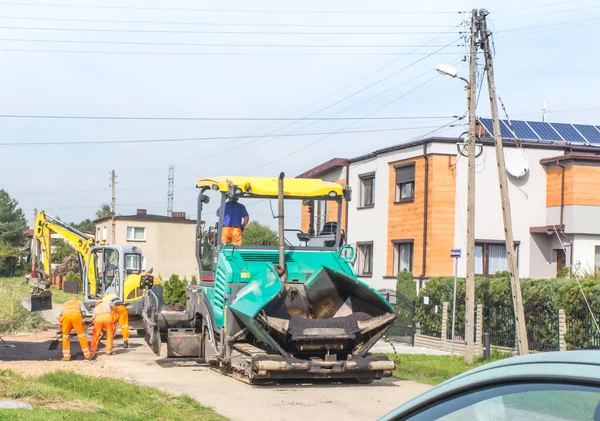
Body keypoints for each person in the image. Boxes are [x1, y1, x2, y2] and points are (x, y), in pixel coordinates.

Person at [58, 296, 91, 361]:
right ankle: (87, 356)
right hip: (76, 317)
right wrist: (81, 321)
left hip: (65, 318)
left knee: (65, 336)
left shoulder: (65, 303)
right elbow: (84, 313)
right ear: (77, 299)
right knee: (81, 335)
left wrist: (62, 325)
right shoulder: (78, 302)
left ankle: (66, 357)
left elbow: (59, 315)